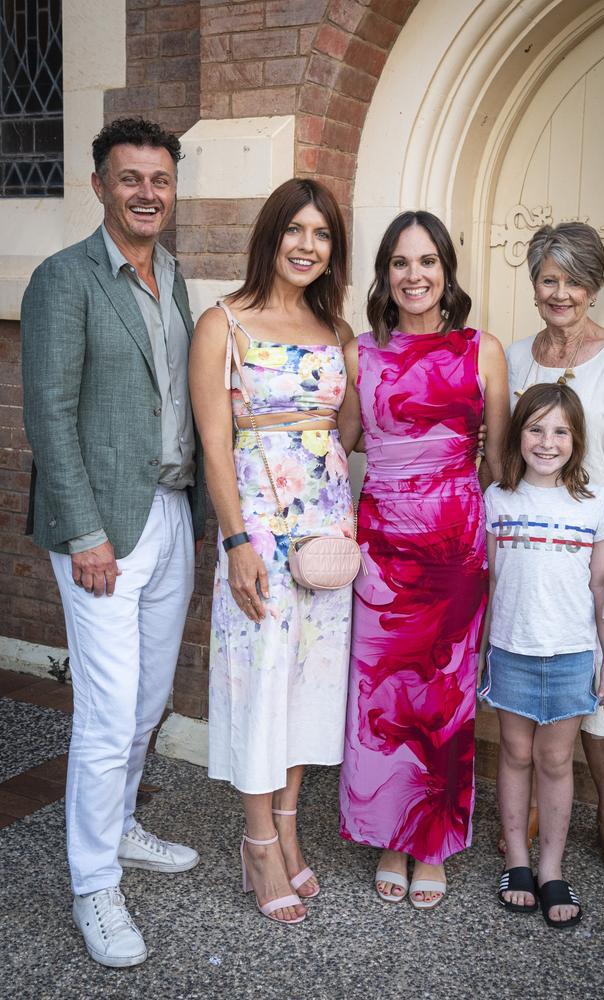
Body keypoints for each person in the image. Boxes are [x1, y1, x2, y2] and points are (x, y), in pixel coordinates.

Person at [21, 117, 205, 968]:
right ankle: (94, 883)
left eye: (159, 180)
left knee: (145, 700)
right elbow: (50, 419)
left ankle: (122, 825)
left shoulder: (175, 280)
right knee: (103, 712)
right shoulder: (64, 279)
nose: (146, 193)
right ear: (100, 185)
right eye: (129, 178)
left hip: (171, 514)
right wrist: (86, 533)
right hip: (102, 526)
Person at [189, 178, 354, 926]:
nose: (308, 246)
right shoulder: (223, 323)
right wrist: (236, 541)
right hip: (257, 524)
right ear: (271, 235)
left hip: (325, 532)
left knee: (310, 683)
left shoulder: (338, 331)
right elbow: (214, 447)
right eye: (296, 230)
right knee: (259, 676)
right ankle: (257, 839)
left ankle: (289, 823)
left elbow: (342, 433)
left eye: (322, 234)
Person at [338, 211, 510, 908]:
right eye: (401, 263)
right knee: (380, 692)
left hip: (455, 549)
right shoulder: (361, 353)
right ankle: (388, 834)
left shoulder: (483, 350)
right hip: (382, 546)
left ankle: (431, 841)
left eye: (427, 262)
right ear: (385, 274)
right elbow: (338, 441)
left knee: (444, 697)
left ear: (447, 271)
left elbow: (497, 462)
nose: (415, 276)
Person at [506, 222, 604, 879]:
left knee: (599, 685)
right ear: (534, 284)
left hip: (593, 549)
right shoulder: (513, 357)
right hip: (532, 552)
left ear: (594, 287)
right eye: (549, 279)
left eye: (575, 280)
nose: (561, 292)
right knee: (533, 686)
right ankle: (537, 802)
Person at [480, 383, 604, 928]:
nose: (547, 441)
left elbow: (601, 592)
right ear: (518, 435)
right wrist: (479, 653)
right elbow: (489, 583)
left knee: (556, 760)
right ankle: (516, 859)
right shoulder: (499, 499)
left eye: (560, 431)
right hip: (512, 650)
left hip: (569, 655)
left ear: (576, 439)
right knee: (515, 754)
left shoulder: (595, 505)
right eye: (535, 428)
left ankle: (551, 868)